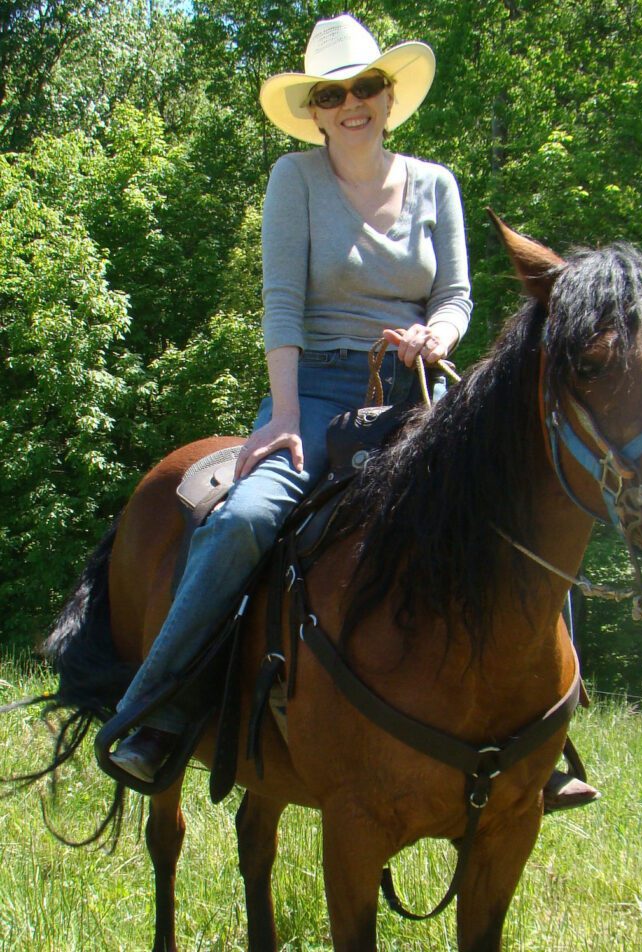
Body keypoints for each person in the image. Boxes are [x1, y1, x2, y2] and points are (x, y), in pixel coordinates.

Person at [107, 14, 472, 784]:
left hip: (411, 391)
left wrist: (436, 336)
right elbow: (281, 304)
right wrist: (279, 416)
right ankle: (160, 712)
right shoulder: (294, 181)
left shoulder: (437, 184)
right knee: (243, 519)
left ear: (388, 93)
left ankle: (546, 739)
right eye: (334, 94)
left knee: (510, 504)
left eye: (366, 87)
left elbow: (457, 295)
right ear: (315, 109)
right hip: (311, 390)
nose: (352, 105)